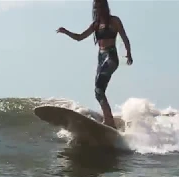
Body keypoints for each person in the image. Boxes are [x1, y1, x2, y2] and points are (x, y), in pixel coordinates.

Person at [56, 0, 133, 129]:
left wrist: (129, 53)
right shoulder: (96, 25)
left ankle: (109, 121)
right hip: (101, 57)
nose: (98, 9)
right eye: (96, 7)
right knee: (99, 92)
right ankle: (110, 120)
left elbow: (124, 37)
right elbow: (80, 37)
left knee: (98, 88)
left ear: (105, 7)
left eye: (100, 6)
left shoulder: (115, 21)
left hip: (111, 56)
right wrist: (66, 32)